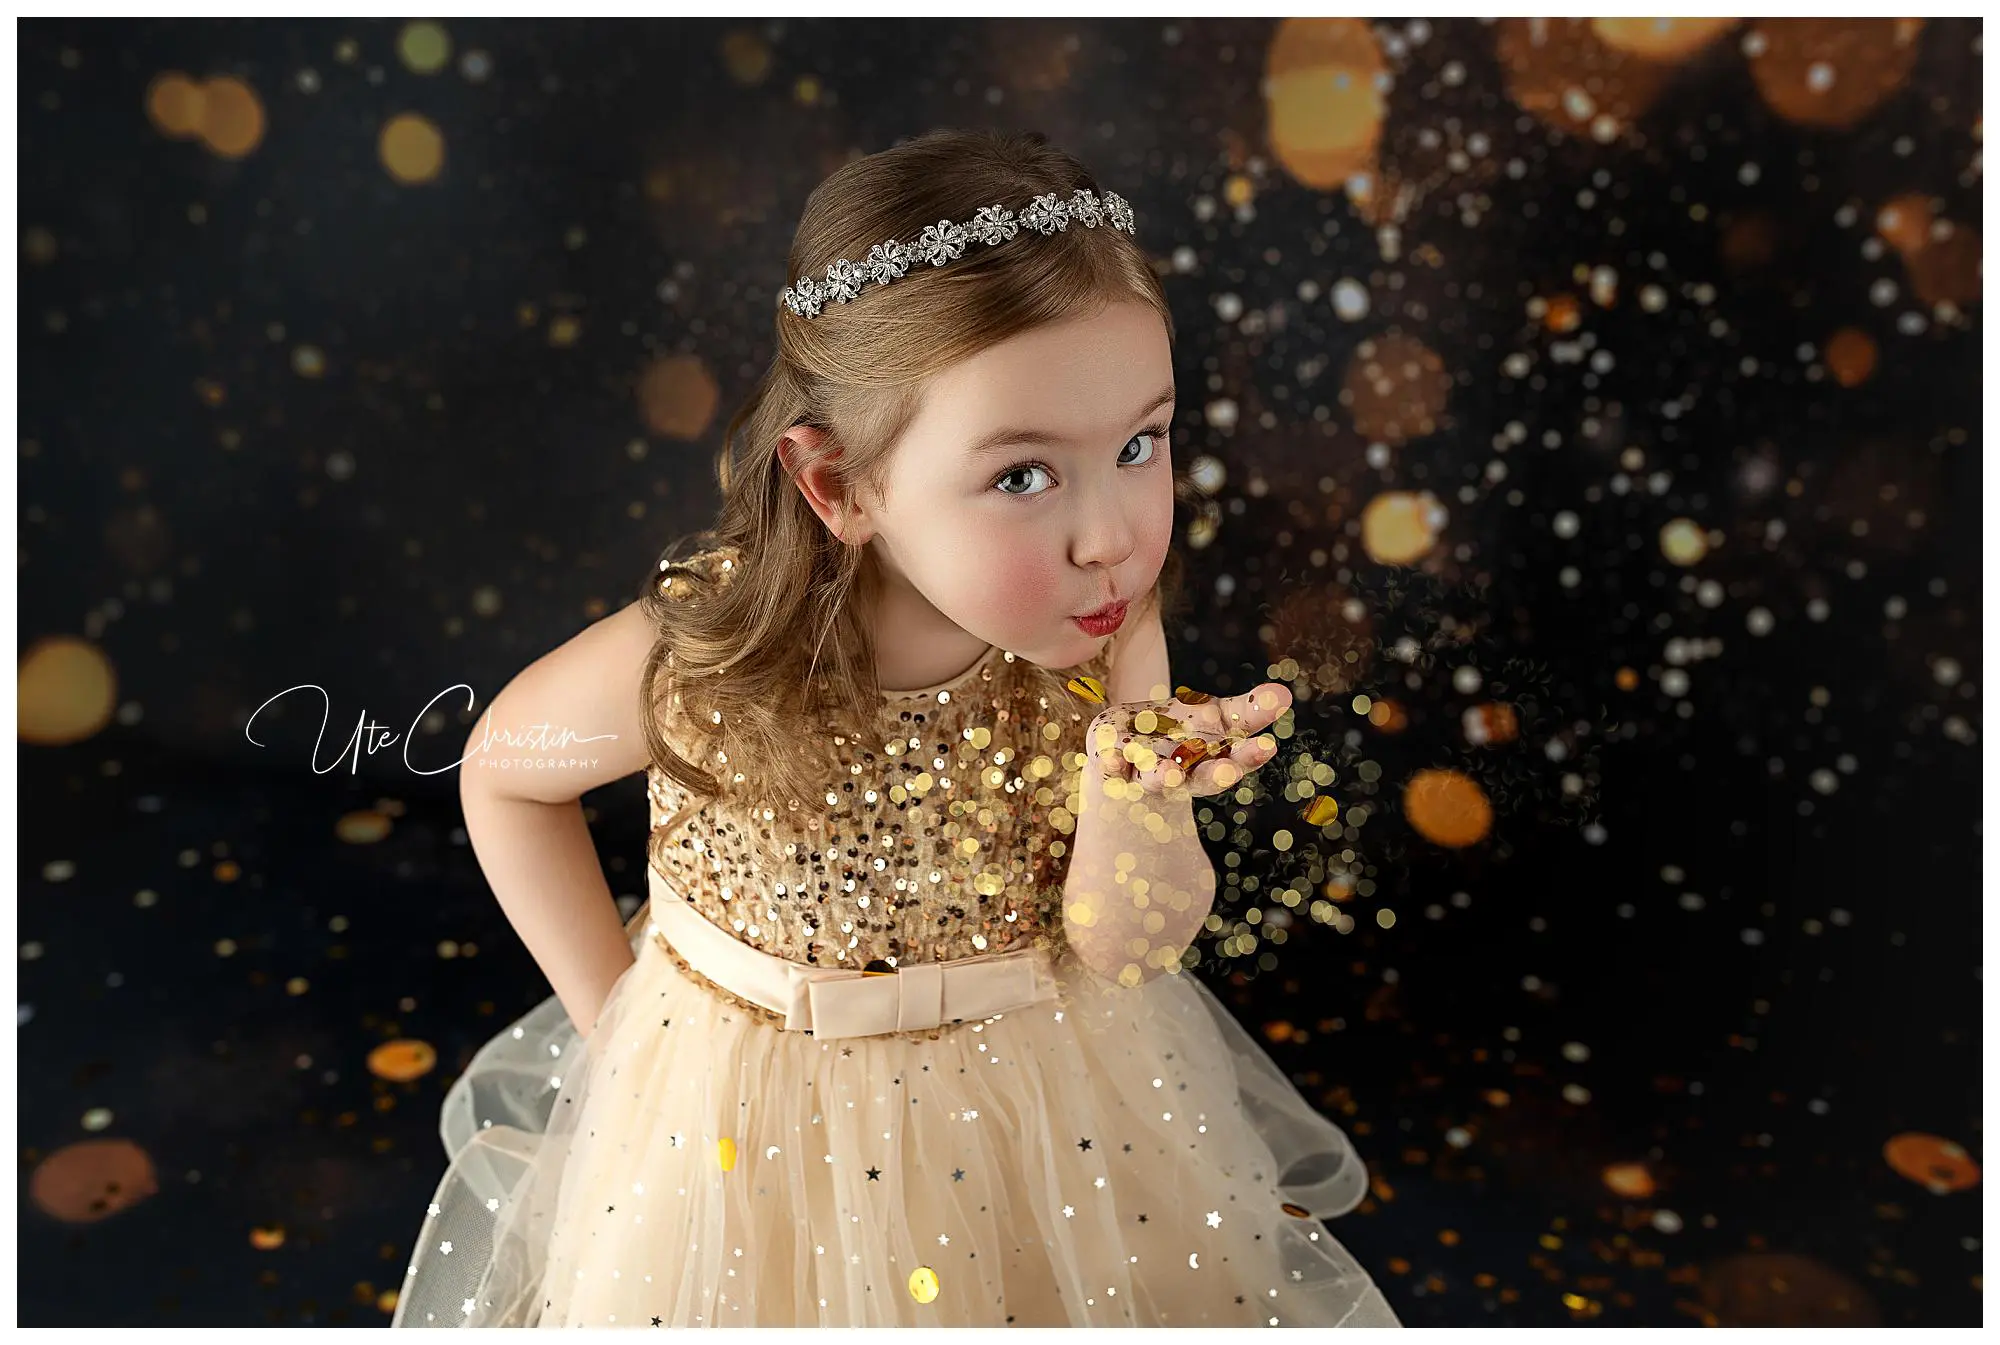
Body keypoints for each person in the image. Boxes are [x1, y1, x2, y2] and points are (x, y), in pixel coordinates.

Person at [391, 127, 1399, 1329]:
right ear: (839, 487)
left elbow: (1128, 949)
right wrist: (610, 1026)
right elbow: (505, 776)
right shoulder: (705, 658)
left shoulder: (1100, 642)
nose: (1109, 535)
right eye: (1023, 475)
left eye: (1140, 444)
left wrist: (1141, 794)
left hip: (1036, 1105)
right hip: (744, 1125)